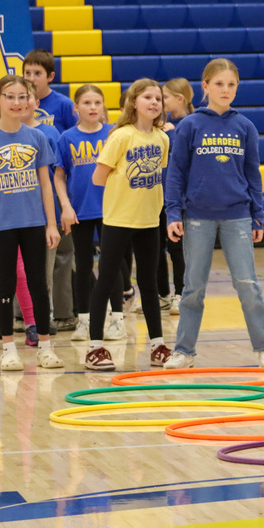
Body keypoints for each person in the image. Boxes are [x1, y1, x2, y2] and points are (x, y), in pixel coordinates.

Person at [163, 59, 264, 370]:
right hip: (196, 216)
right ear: (205, 86)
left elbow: (253, 175)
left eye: (231, 85)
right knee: (193, 287)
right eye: (219, 84)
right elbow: (175, 173)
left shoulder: (245, 127)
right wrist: (173, 212)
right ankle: (184, 351)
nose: (225, 90)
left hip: (238, 216)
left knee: (247, 283)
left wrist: (258, 215)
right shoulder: (190, 125)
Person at [0, 76, 62, 371]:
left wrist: (51, 223)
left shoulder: (36, 137)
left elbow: (46, 185)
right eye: (10, 96)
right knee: (7, 283)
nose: (17, 103)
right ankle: (9, 348)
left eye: (23, 97)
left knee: (38, 283)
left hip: (34, 222)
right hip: (3, 225)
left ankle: (45, 347)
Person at [84, 78, 171, 371]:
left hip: (149, 220)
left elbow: (159, 176)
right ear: (134, 102)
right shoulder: (121, 136)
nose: (154, 102)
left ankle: (157, 345)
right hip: (119, 219)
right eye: (148, 97)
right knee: (107, 280)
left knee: (149, 284)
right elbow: (98, 177)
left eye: (158, 98)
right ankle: (95, 348)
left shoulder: (162, 139)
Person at [54, 84, 125, 343]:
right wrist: (65, 205)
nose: (92, 107)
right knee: (83, 265)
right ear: (76, 108)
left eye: (97, 102)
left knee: (111, 264)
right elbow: (59, 176)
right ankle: (83, 321)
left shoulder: (115, 133)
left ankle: (117, 319)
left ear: (103, 106)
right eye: (86, 103)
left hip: (113, 210)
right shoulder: (67, 138)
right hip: (80, 210)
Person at [24, 49, 76, 332]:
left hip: (58, 189)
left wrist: (67, 197)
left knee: (63, 255)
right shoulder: (17, 104)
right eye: (27, 73)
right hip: (26, 192)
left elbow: (70, 143)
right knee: (34, 258)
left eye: (37, 74)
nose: (31, 78)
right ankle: (29, 315)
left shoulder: (63, 105)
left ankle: (65, 313)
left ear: (50, 77)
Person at [133, 77, 193, 317]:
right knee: (154, 247)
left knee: (177, 248)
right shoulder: (160, 126)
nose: (159, 101)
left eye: (163, 97)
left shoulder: (189, 124)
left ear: (179, 99)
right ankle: (162, 294)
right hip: (156, 194)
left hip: (178, 198)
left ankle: (181, 293)